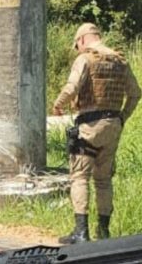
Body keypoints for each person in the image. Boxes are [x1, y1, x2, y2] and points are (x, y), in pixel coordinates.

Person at [53, 22, 141, 244]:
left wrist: (58, 103)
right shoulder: (120, 60)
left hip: (90, 126)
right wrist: (122, 117)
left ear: (82, 40)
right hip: (113, 124)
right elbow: (135, 93)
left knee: (80, 176)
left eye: (77, 45)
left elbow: (72, 87)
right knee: (103, 180)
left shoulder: (85, 59)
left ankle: (81, 232)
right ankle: (104, 232)